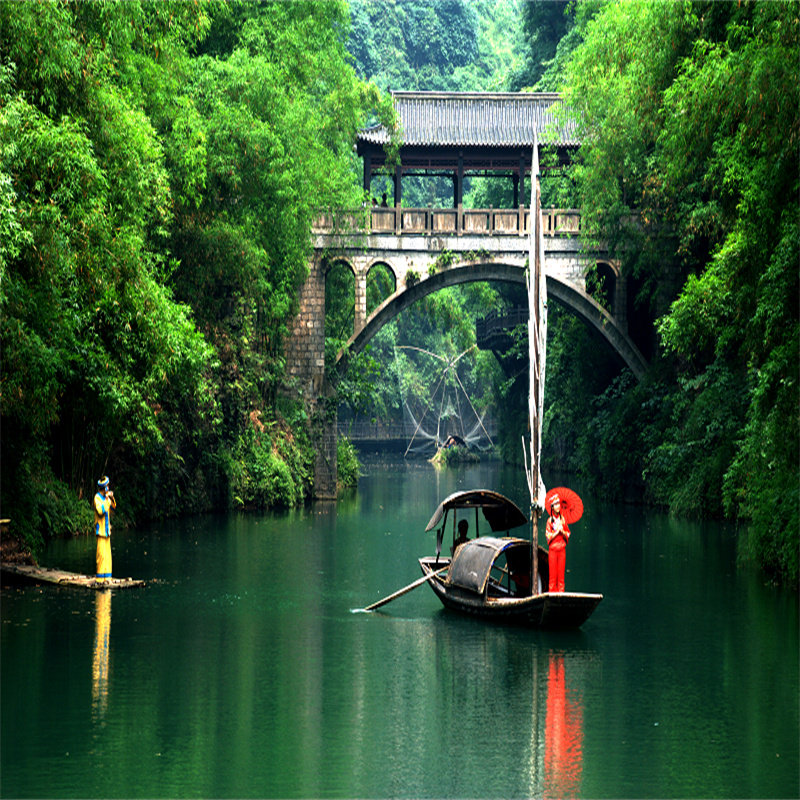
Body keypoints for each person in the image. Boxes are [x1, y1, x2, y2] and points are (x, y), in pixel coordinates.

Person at [93, 476, 116, 583]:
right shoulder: (97, 498)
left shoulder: (106, 498)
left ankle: (107, 578)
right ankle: (99, 579)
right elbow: (100, 511)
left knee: (108, 557)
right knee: (101, 556)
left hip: (107, 531)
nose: (108, 487)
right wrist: (107, 501)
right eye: (107, 486)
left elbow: (113, 508)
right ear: (104, 487)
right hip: (101, 531)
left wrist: (111, 498)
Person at [545, 494, 570, 592]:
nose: (558, 506)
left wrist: (562, 531)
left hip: (562, 550)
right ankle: (552, 596)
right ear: (552, 507)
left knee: (561, 577)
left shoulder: (563, 519)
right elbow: (548, 537)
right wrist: (556, 532)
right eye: (555, 504)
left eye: (558, 504)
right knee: (552, 577)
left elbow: (567, 534)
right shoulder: (549, 521)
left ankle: (561, 596)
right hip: (553, 551)